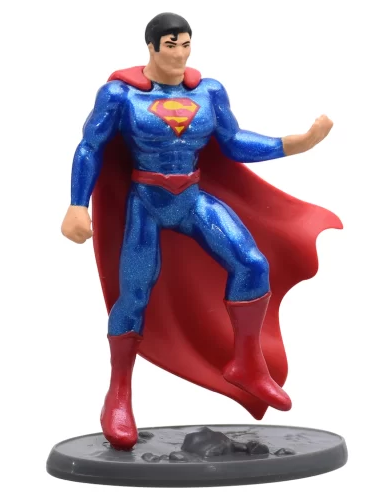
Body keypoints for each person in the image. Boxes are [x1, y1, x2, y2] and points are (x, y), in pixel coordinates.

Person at [61, 12, 341, 450]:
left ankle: (247, 363)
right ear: (151, 47)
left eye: (185, 44)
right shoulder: (120, 95)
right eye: (170, 44)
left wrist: (295, 143)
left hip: (191, 199)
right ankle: (119, 393)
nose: (179, 53)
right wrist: (77, 204)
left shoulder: (208, 92)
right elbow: (90, 147)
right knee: (133, 296)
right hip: (147, 203)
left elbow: (233, 142)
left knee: (252, 264)